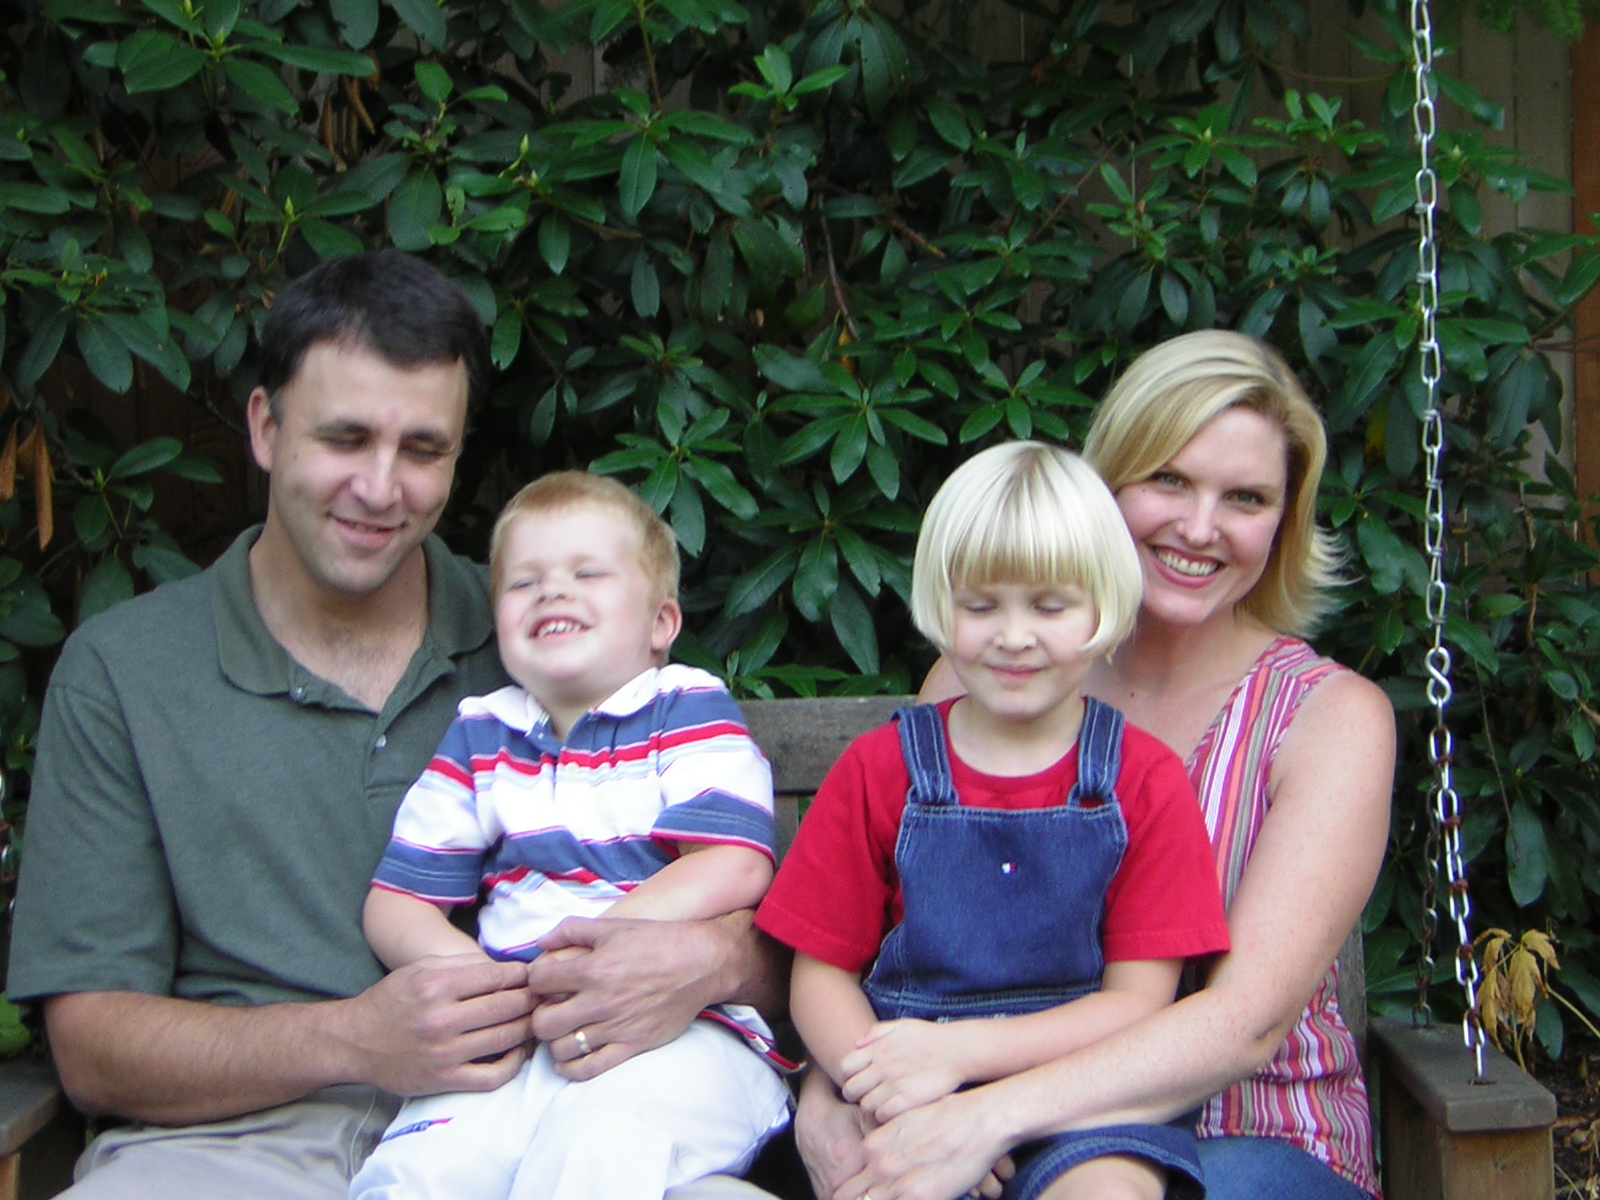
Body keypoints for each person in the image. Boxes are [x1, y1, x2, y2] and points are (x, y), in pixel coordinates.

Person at [6, 251, 783, 1200]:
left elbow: (787, 931)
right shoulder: (126, 672)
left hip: (569, 1112)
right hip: (237, 1148)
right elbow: (91, 1047)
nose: (381, 488)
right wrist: (353, 1039)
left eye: (422, 450)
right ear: (265, 426)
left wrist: (713, 959)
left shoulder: (559, 640)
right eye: (346, 438)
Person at [797, 331, 1394, 1200]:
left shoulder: (1327, 717)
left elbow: (1245, 1024)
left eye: (1246, 497)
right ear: (1104, 486)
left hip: (1252, 1139)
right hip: (966, 1125)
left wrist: (981, 1117)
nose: (1200, 528)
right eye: (1169, 480)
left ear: (1283, 521)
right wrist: (842, 1093)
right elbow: (870, 938)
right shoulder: (986, 686)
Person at [758, 442, 1232, 1200]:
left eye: (1050, 606)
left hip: (1082, 1100)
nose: (1013, 636)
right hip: (901, 1081)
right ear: (941, 607)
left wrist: (964, 1059)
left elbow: (1139, 1004)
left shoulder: (1143, 782)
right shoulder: (882, 770)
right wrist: (898, 1098)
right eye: (981, 606)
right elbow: (819, 975)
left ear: (1104, 607)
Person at [349, 471, 791, 1200]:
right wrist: (489, 990)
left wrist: (596, 949)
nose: (552, 591)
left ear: (661, 623)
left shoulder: (684, 706)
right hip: (519, 1038)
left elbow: (732, 863)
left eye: (588, 573)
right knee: (422, 1174)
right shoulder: (483, 733)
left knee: (597, 1153)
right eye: (524, 582)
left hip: (677, 1028)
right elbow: (397, 904)